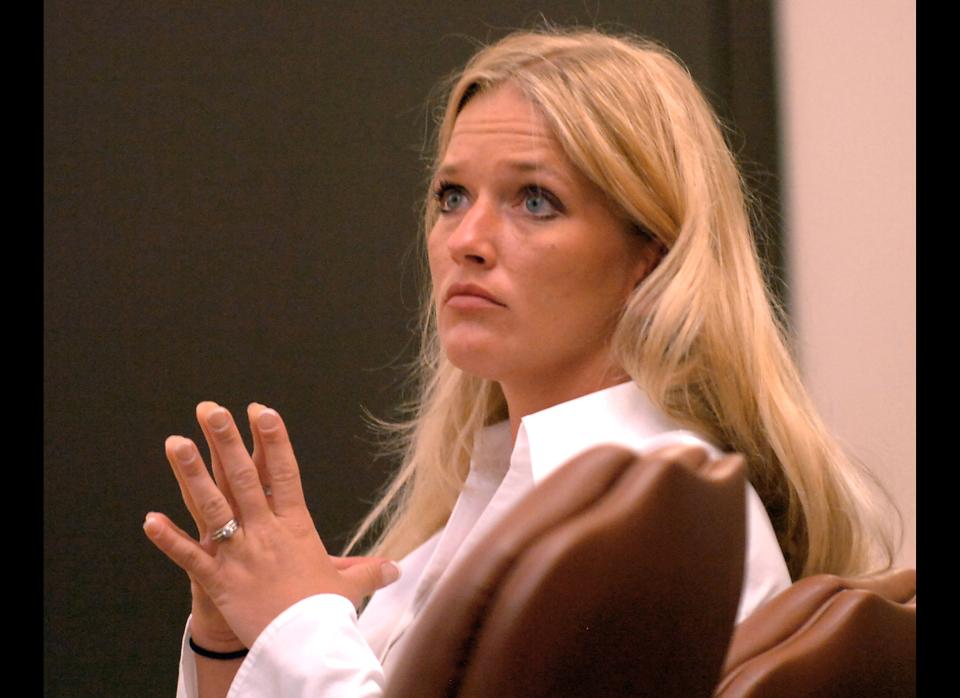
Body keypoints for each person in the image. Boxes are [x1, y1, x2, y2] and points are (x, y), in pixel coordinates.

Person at [143, 26, 897, 697]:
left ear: (650, 258)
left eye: (534, 200)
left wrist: (298, 622)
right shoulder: (490, 507)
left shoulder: (655, 519)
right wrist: (234, 636)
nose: (466, 238)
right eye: (451, 196)